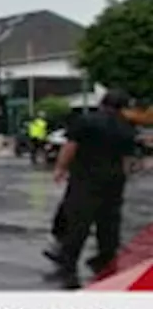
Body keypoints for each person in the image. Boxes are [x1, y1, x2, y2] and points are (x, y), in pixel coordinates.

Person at [46, 89, 142, 288]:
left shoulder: (86, 121)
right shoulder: (127, 127)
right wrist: (123, 176)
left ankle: (68, 261)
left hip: (85, 178)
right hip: (114, 181)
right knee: (109, 222)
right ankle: (105, 259)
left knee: (79, 220)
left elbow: (70, 146)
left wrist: (60, 168)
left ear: (102, 103)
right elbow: (128, 159)